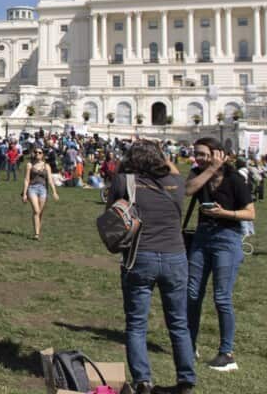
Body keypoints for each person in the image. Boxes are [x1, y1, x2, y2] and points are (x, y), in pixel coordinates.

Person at [107, 140, 195, 394]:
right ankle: (186, 380)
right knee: (178, 323)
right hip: (175, 257)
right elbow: (174, 171)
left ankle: (143, 381)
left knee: (136, 324)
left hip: (139, 255)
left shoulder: (124, 182)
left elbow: (111, 213)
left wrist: (127, 163)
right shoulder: (177, 184)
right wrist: (163, 156)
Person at [184, 138, 255, 373]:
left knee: (222, 297)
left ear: (218, 154)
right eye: (197, 154)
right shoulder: (198, 173)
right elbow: (188, 190)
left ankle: (227, 353)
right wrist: (210, 168)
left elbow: (250, 213)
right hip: (202, 237)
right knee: (192, 293)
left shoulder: (235, 179)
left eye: (204, 154)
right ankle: (189, 345)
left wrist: (224, 212)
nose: (199, 158)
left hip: (227, 238)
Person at [20, 148, 59, 240]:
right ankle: (36, 234)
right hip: (32, 188)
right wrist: (24, 193)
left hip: (43, 189)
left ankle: (37, 231)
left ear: (42, 155)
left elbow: (50, 180)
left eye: (39, 152)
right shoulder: (29, 165)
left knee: (40, 213)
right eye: (35, 152)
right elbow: (26, 180)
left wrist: (54, 192)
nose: (37, 153)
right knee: (36, 211)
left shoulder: (46, 166)